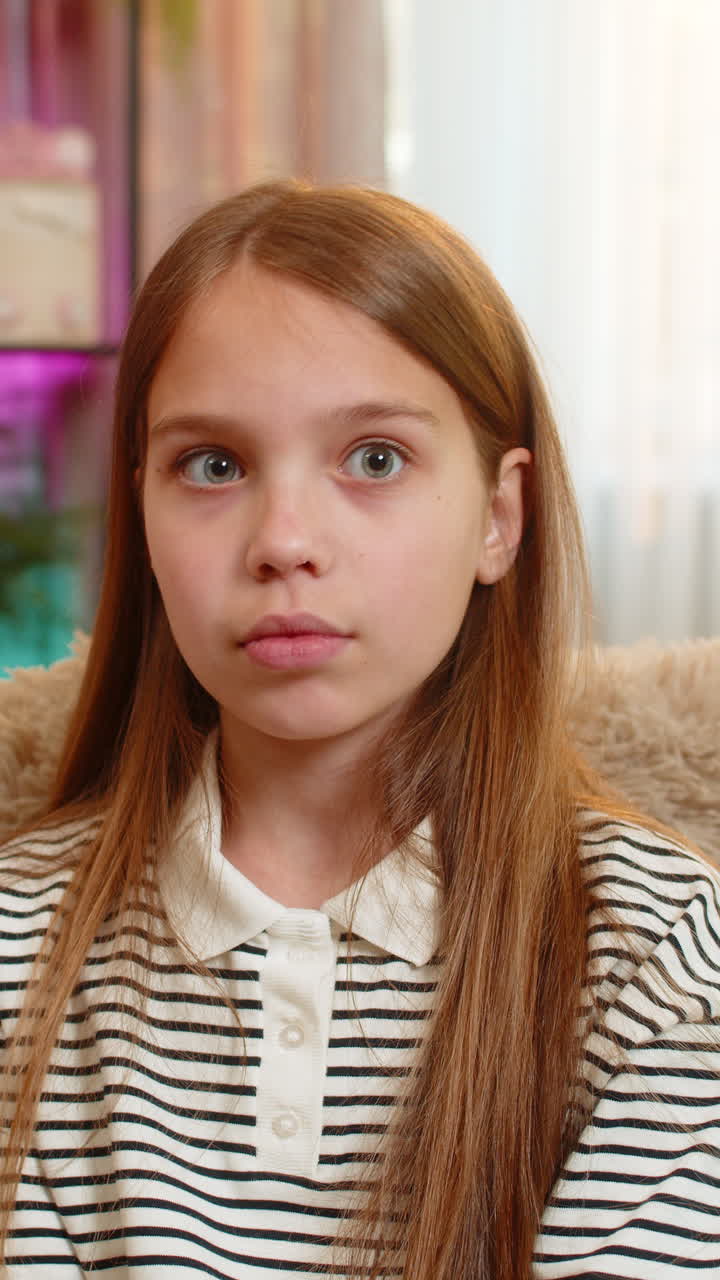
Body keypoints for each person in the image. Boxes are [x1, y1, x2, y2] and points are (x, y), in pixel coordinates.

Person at [1, 179, 719, 1280]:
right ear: (138, 504)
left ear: (498, 514)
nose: (285, 540)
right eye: (214, 465)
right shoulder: (20, 943)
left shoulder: (659, 957)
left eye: (374, 459)